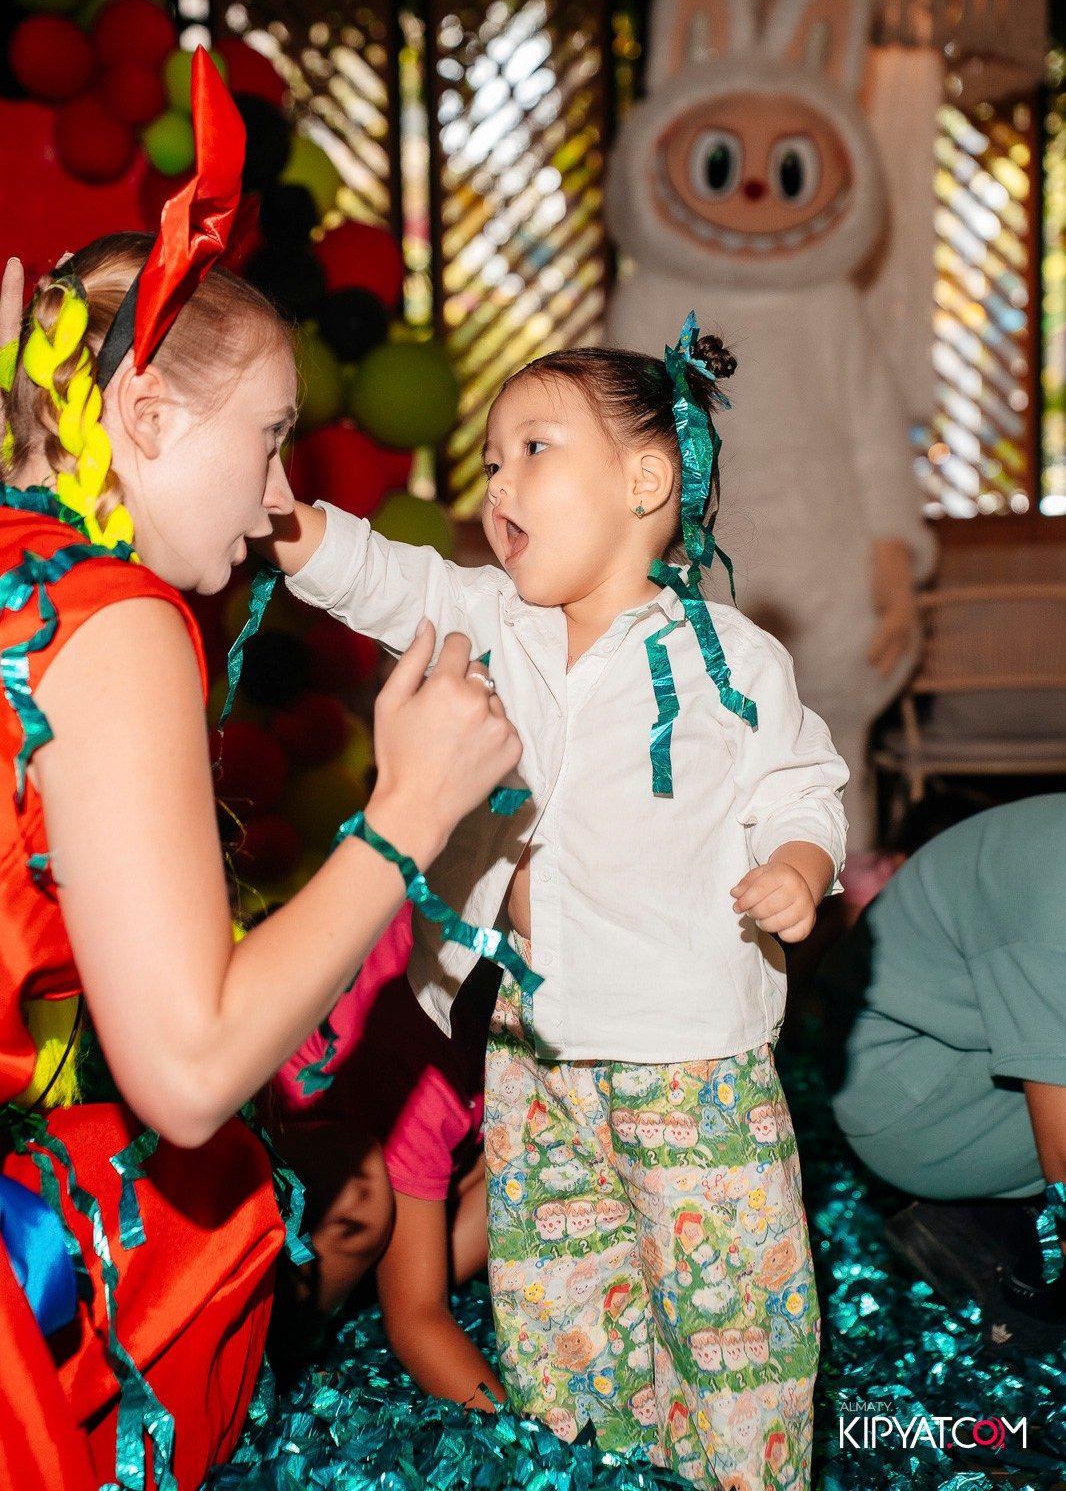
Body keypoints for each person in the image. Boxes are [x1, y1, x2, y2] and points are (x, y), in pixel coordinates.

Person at [262, 317, 849, 1490]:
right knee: (559, 1303)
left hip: (692, 1062)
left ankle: (740, 1472)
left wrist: (800, 862)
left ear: (645, 480)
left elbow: (804, 785)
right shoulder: (502, 623)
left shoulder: (729, 656)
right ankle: (598, 1460)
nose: (496, 483)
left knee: (729, 1319)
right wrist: (288, 518)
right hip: (533, 1050)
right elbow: (395, 580)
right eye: (486, 460)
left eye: (532, 447)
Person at [0, 165, 520, 1490]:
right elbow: (185, 1074)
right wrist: (405, 815)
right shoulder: (110, 619)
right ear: (147, 411)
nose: (275, 490)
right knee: (225, 1184)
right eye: (270, 434)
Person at [819, 793, 1066, 1353]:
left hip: (945, 1057)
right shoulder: (1056, 894)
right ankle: (1032, 1275)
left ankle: (999, 1218)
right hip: (915, 1103)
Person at [271, 906, 505, 1409]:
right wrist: (527, 1445)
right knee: (362, 1191)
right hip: (280, 1227)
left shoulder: (469, 952)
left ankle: (376, 1291)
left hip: (410, 1153)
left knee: (520, 1164)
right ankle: (282, 1352)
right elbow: (418, 1320)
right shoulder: (424, 1047)